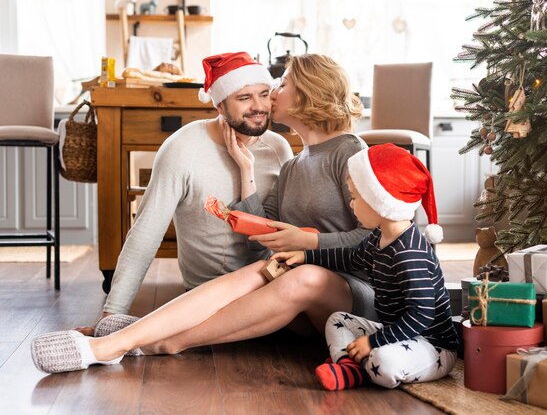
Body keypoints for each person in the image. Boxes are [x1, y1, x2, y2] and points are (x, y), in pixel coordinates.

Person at [31, 54, 375, 374]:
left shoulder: (349, 150)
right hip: (300, 294)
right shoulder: (295, 162)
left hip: (357, 297)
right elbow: (262, 231)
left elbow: (379, 237)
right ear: (221, 104)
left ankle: (162, 340)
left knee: (298, 276)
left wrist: (307, 242)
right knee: (268, 270)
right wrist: (246, 172)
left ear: (306, 96)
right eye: (248, 96)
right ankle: (113, 343)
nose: (268, 98)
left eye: (278, 87)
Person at [90, 52, 294, 326]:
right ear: (220, 106)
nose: (259, 106)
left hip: (268, 285)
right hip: (205, 295)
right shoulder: (182, 148)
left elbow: (283, 234)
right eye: (244, 98)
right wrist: (112, 314)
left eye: (263, 94)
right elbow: (145, 234)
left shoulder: (279, 148)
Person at [273, 143, 457, 391]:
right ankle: (350, 367)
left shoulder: (410, 253)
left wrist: (374, 342)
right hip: (396, 333)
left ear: (379, 200)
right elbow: (350, 258)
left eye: (355, 197)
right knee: (337, 320)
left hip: (430, 344)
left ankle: (359, 370)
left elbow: (421, 315)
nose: (351, 204)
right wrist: (306, 256)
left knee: (384, 360)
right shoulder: (379, 236)